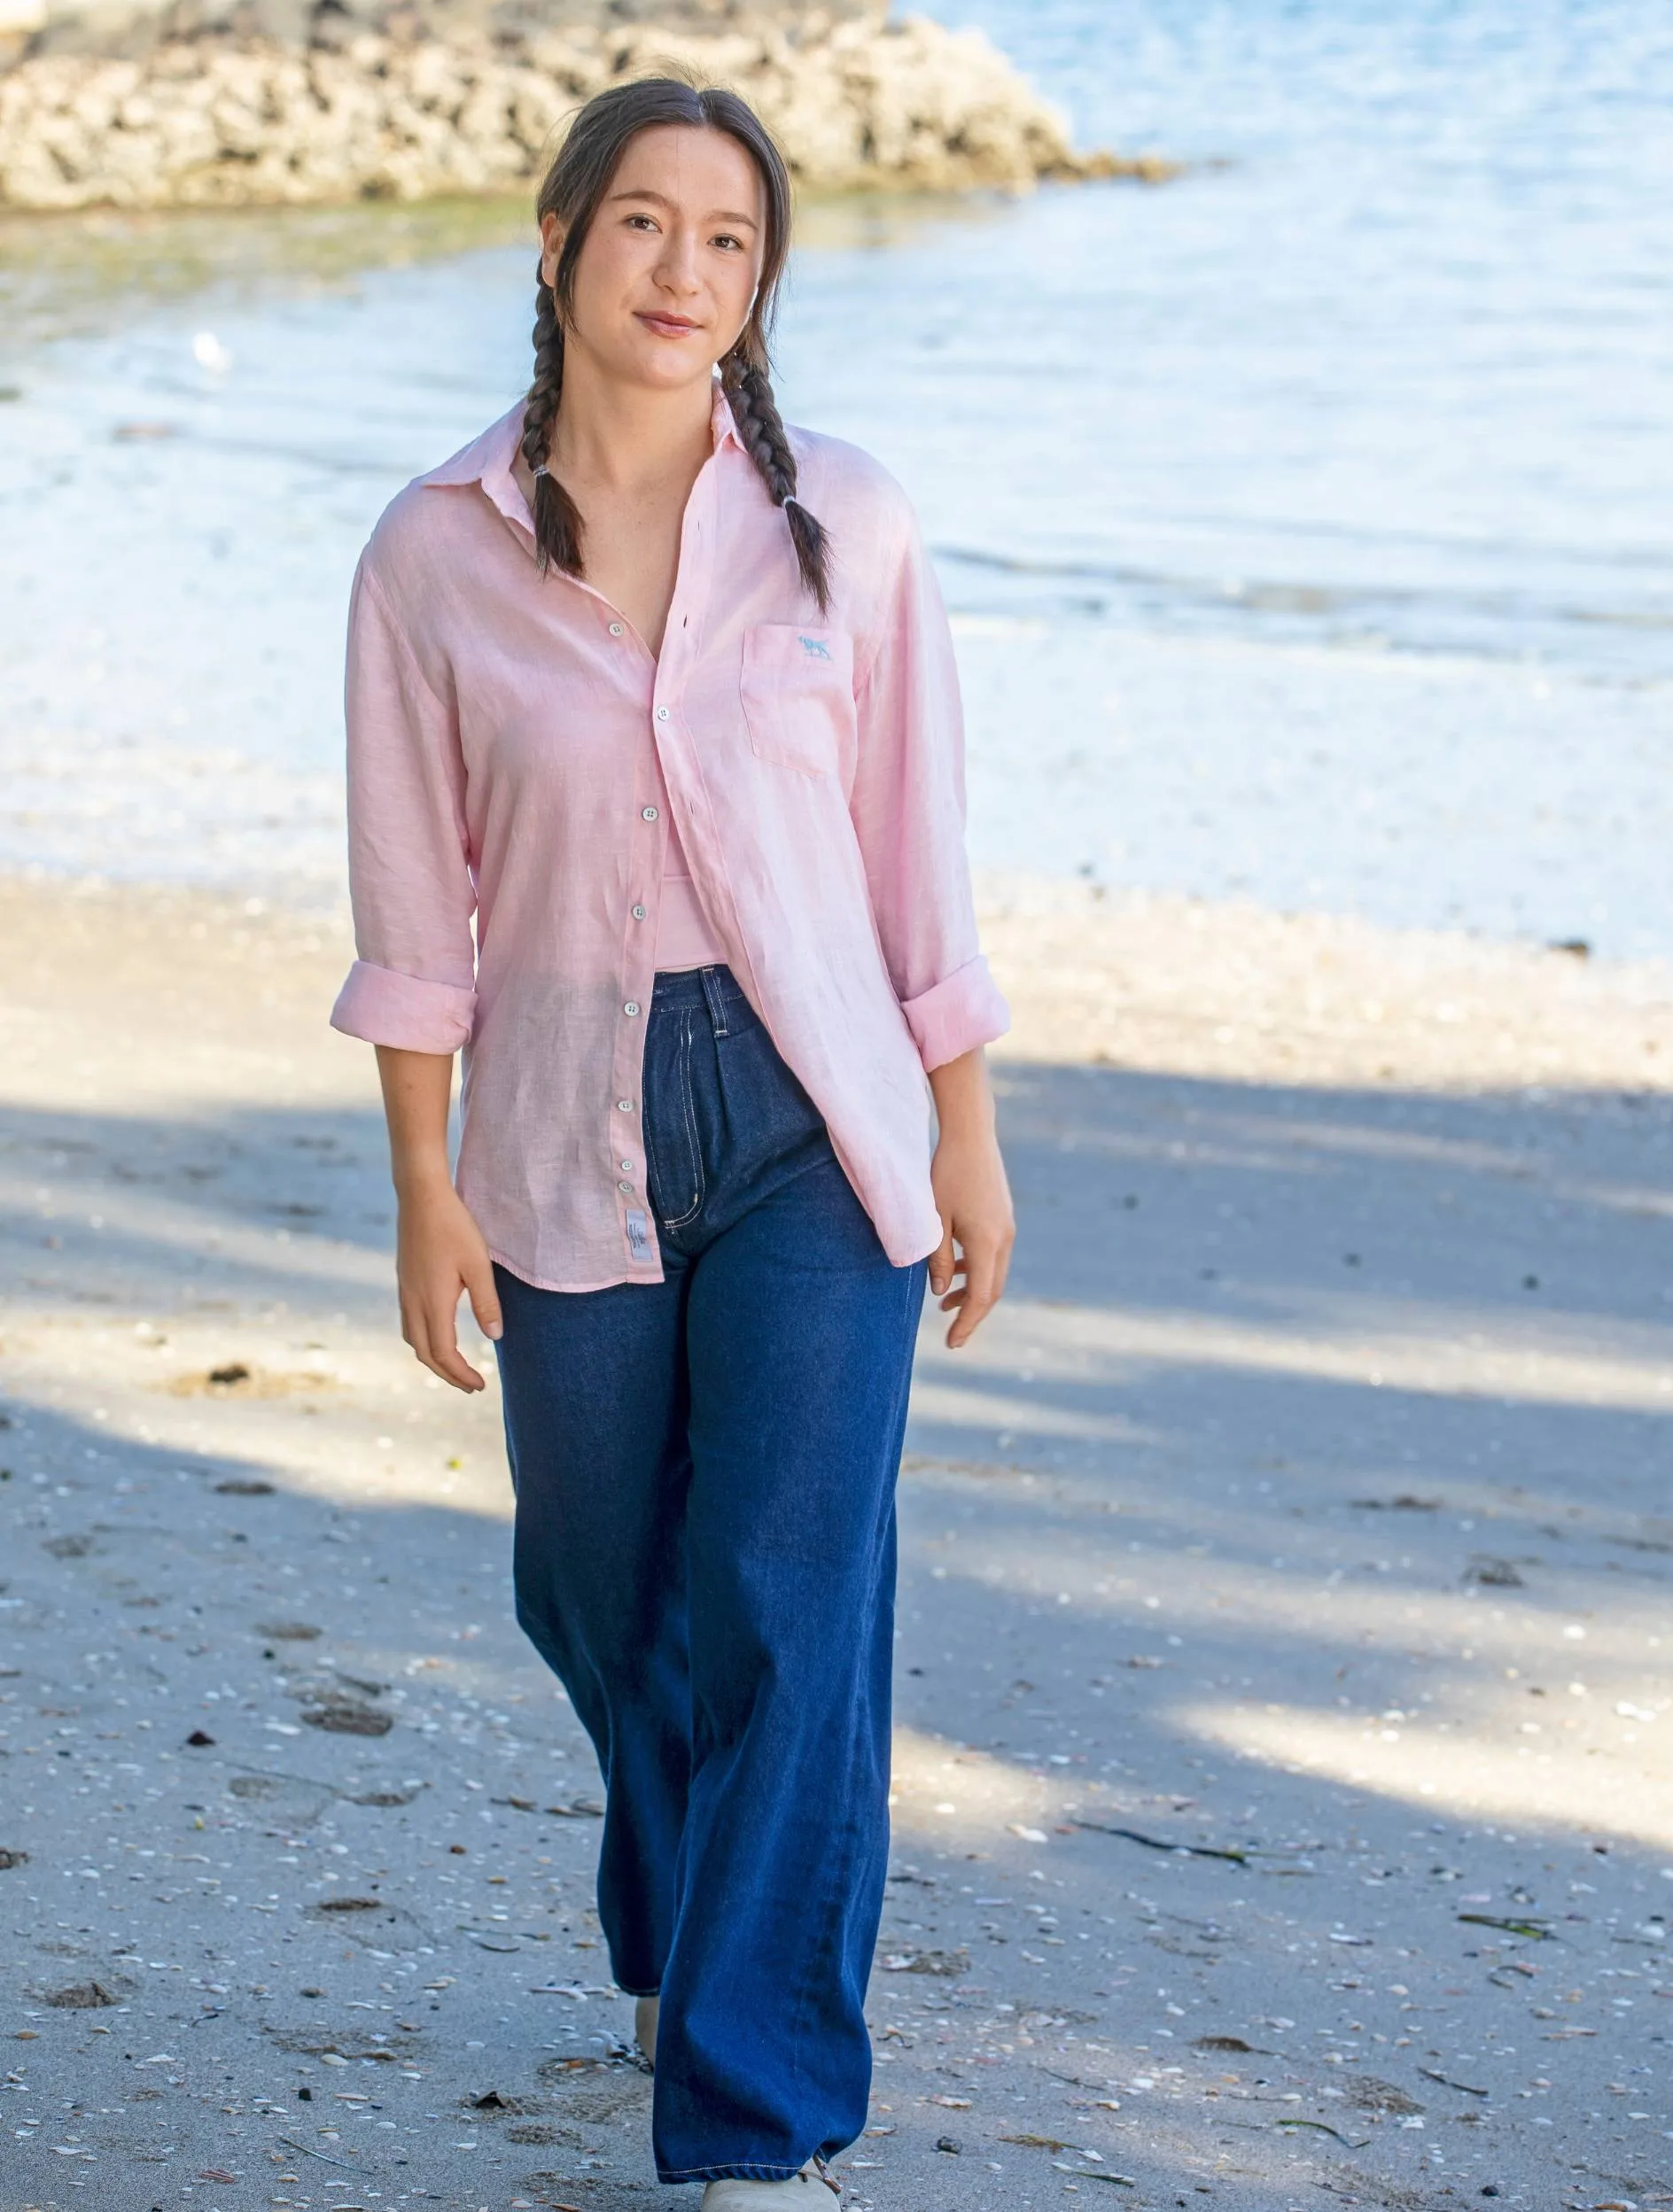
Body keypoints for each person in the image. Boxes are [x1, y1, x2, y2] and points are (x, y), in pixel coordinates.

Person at [330, 74, 1015, 2208]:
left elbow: (920, 868)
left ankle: (750, 2121)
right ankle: (685, 1917)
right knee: (604, 1593)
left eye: (729, 243)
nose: (685, 274)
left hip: (822, 1122)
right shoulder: (432, 554)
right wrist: (423, 1185)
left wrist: (965, 1139)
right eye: (646, 226)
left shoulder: (850, 526)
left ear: (761, 287)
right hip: (557, 1124)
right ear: (556, 245)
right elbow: (411, 908)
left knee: (793, 1602)